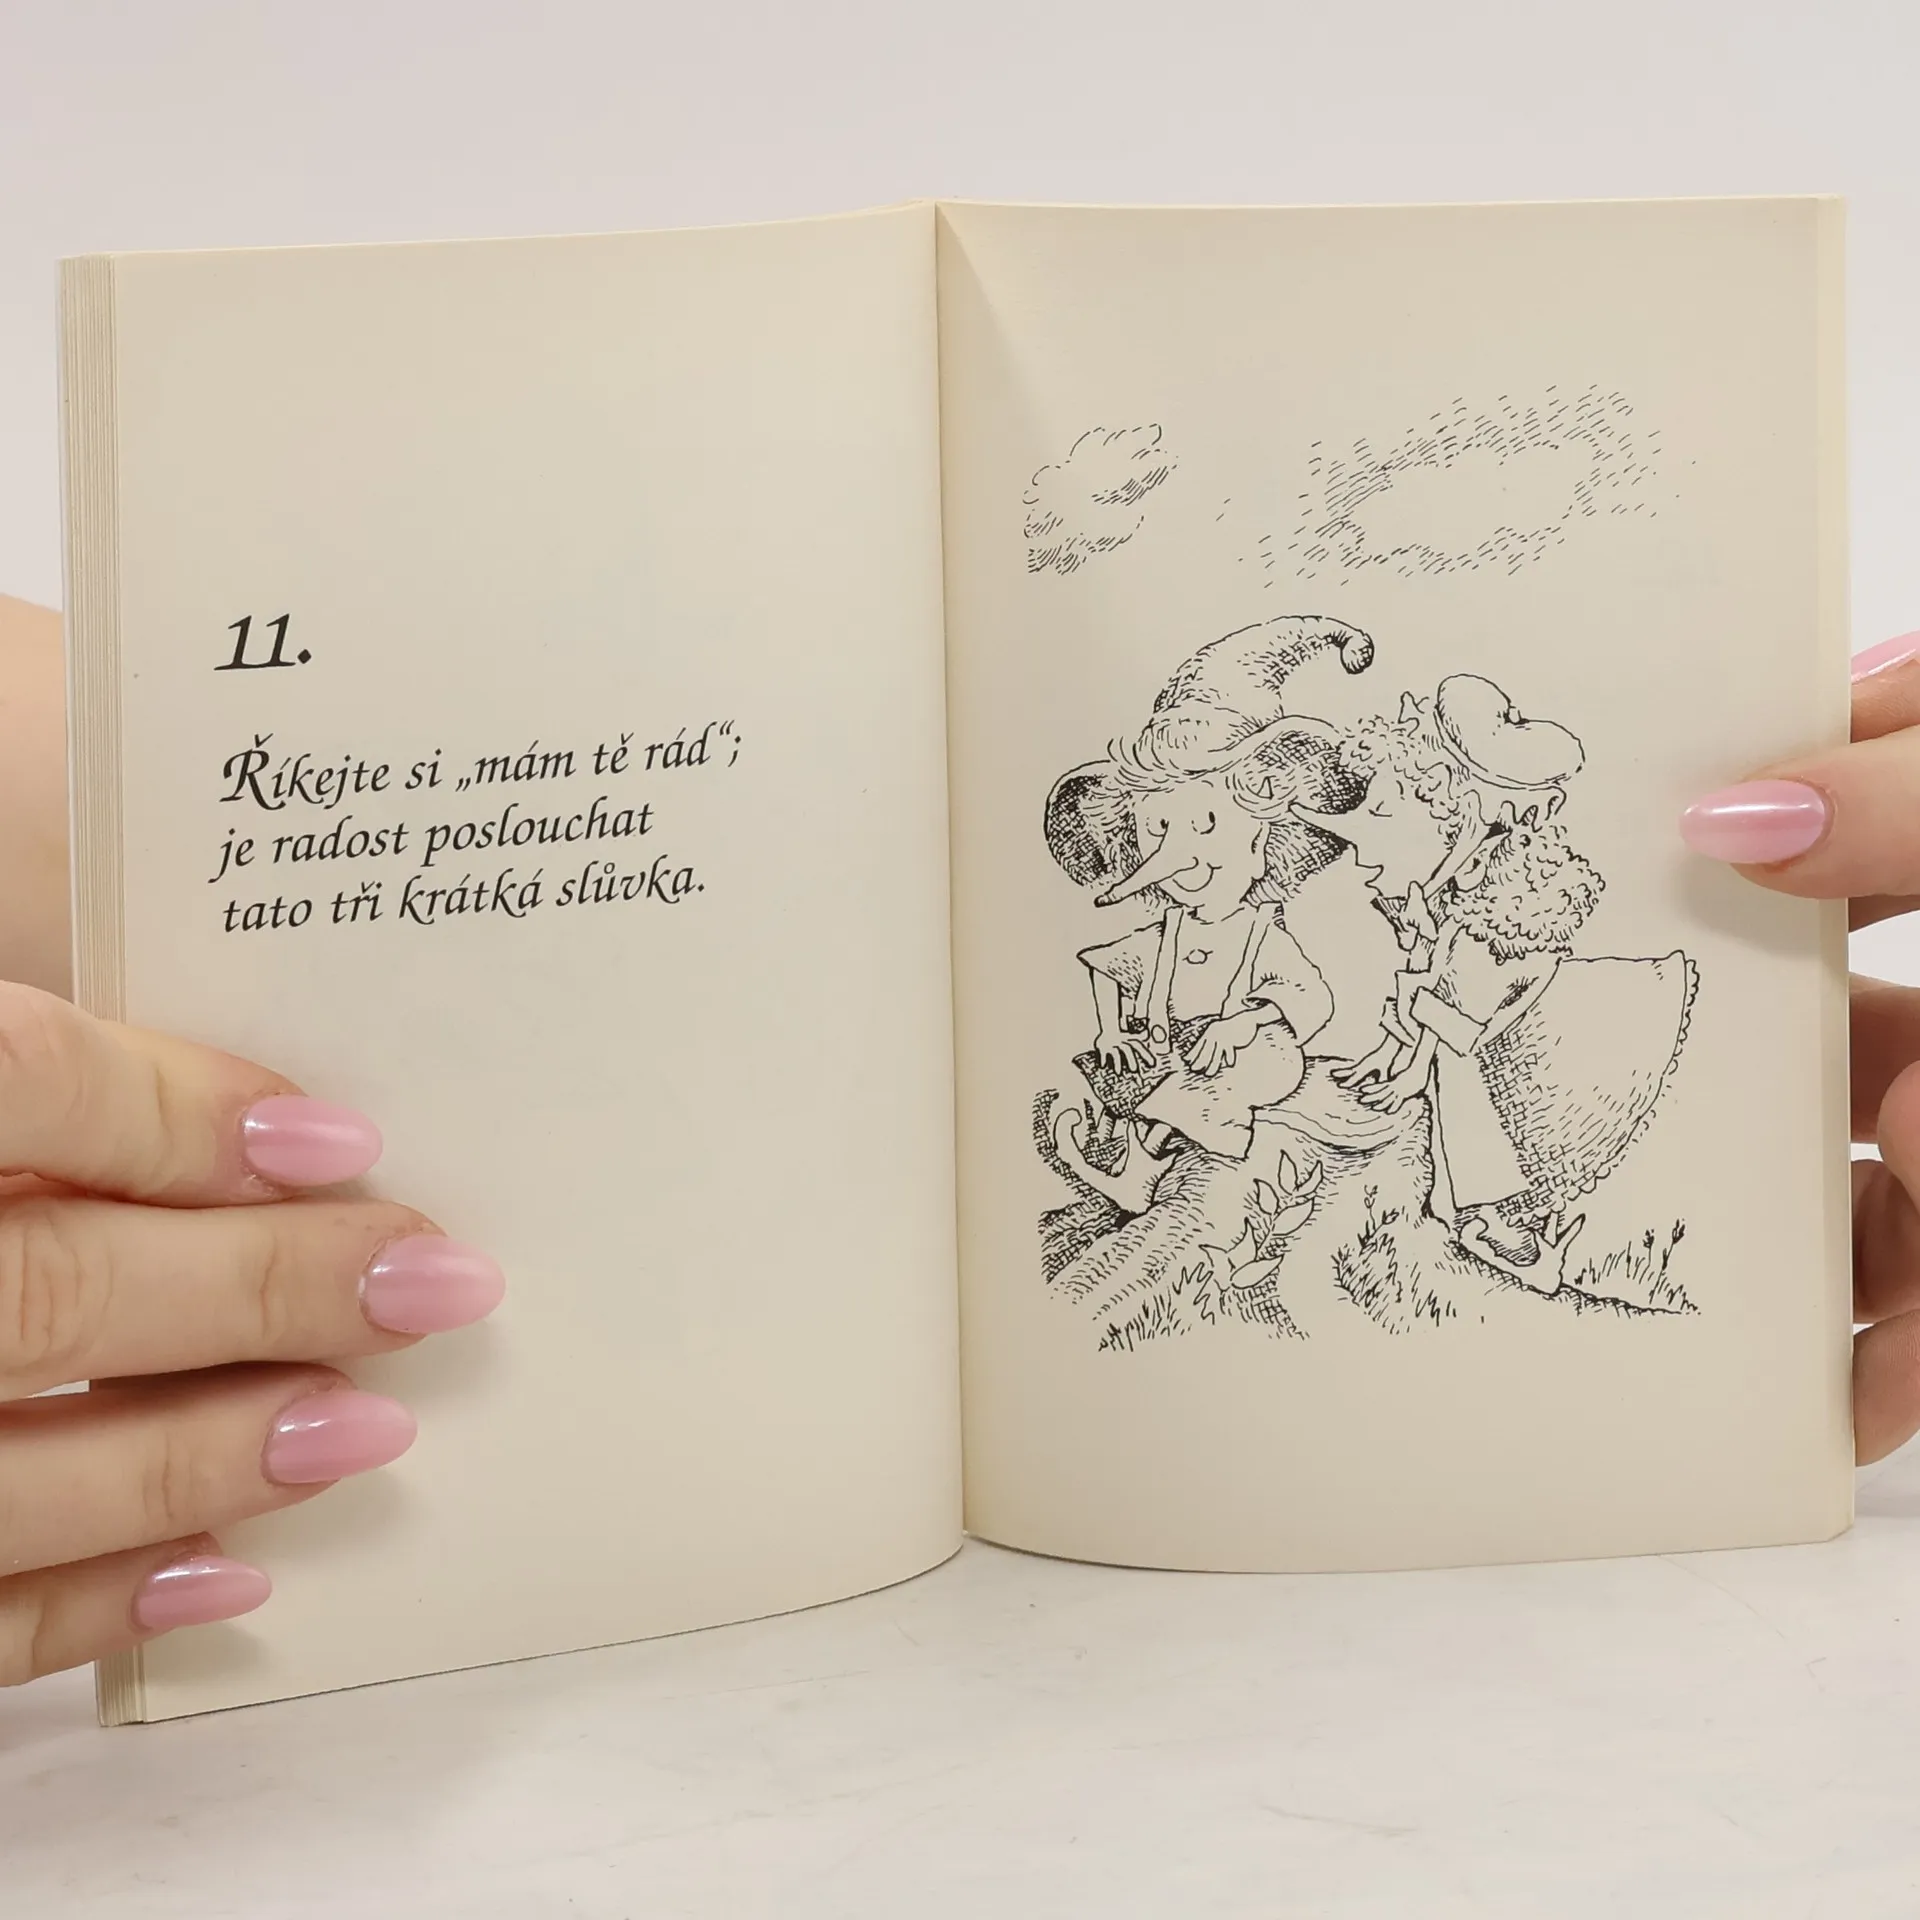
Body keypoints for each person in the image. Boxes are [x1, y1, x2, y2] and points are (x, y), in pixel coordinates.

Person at [3, 593, 1920, 1686]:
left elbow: (1325, 1017)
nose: (1186, 860)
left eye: (1207, 832)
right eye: (1160, 840)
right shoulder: (1162, 937)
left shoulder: (1328, 910)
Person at [1294, 675, 1696, 1293]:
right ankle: (1497, 1225)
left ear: (1467, 833)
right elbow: (1434, 994)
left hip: (1536, 1047)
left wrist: (1408, 1068)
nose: (1362, 849)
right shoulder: (1451, 908)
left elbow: (1455, 1024)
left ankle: (1501, 1226)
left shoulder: (1489, 929)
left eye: (1383, 814)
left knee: (1466, 1098)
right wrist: (1392, 1054)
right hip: (1485, 1035)